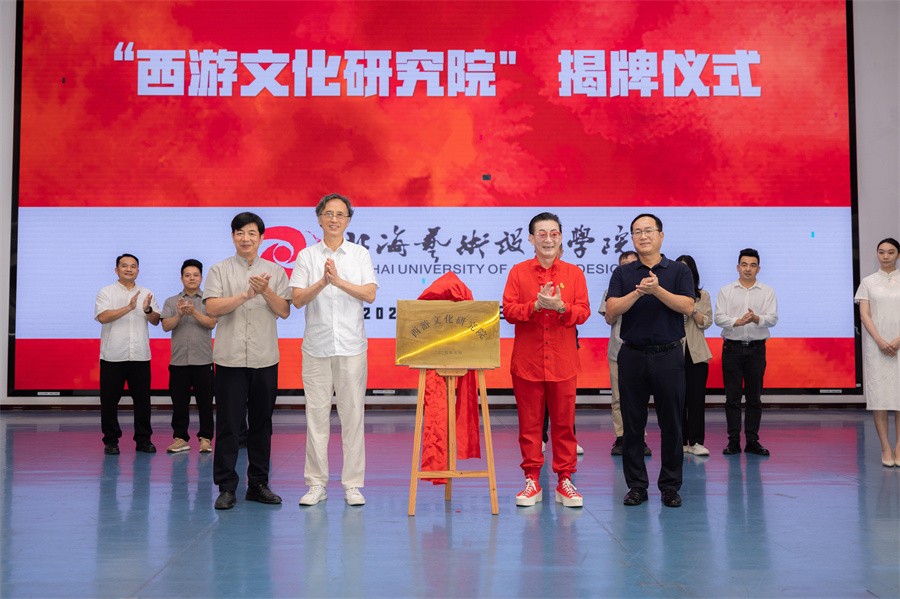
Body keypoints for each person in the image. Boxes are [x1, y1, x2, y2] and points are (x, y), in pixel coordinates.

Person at [291, 194, 378, 507]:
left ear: (348, 220)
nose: (334, 219)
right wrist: (322, 282)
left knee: (352, 416)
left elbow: (370, 294)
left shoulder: (359, 254)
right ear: (319, 218)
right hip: (316, 347)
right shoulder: (306, 255)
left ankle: (352, 485)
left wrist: (338, 281)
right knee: (316, 417)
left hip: (351, 347)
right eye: (328, 214)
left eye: (340, 214)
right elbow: (297, 299)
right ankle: (316, 484)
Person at [502, 212, 590, 508]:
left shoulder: (574, 274)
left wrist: (562, 307)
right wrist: (535, 306)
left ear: (561, 237)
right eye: (542, 234)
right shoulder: (518, 272)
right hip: (527, 363)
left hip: (563, 362)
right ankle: (531, 480)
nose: (548, 239)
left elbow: (584, 311)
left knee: (564, 425)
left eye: (554, 233)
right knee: (529, 426)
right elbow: (509, 310)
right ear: (531, 239)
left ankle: (565, 479)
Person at [606, 214, 694, 508]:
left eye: (648, 231)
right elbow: (611, 311)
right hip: (632, 355)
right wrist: (638, 292)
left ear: (661, 235)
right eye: (637, 232)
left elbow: (687, 305)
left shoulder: (679, 270)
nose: (643, 236)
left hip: (668, 355)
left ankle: (670, 486)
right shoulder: (623, 273)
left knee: (672, 424)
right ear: (632, 238)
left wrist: (657, 290)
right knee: (633, 425)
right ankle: (636, 486)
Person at [205, 212, 291, 510]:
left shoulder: (275, 271)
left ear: (261, 237)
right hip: (229, 359)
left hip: (264, 358)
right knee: (228, 425)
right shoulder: (219, 270)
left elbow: (284, 311)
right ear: (233, 237)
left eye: (252, 233)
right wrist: (246, 294)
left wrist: (265, 291)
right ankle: (227, 487)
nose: (246, 239)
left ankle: (258, 484)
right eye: (240, 233)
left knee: (261, 424)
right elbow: (212, 307)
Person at [714, 248, 778, 457]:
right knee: (732, 398)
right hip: (732, 348)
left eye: (752, 265)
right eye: (744, 265)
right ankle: (733, 442)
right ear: (737, 267)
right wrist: (737, 322)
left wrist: (756, 319)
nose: (748, 269)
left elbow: (773, 318)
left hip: (756, 349)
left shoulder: (767, 291)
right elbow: (718, 318)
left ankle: (752, 441)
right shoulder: (726, 291)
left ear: (758, 268)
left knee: (754, 398)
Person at [95, 253, 161, 455]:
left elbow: (155, 321)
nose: (129, 269)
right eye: (124, 266)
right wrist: (129, 307)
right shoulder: (106, 292)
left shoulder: (147, 292)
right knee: (109, 402)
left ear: (138, 270)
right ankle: (111, 441)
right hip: (113, 356)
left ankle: (143, 440)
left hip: (140, 356)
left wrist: (147, 309)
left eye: (133, 266)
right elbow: (103, 317)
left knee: (143, 402)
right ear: (116, 270)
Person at [160, 259, 217, 454]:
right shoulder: (171, 301)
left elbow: (211, 323)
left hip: (203, 361)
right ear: (181, 278)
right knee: (179, 404)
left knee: (205, 403)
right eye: (187, 275)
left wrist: (193, 312)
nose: (191, 278)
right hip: (179, 362)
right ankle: (180, 438)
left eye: (195, 275)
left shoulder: (209, 300)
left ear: (201, 277)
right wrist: (179, 314)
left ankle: (206, 439)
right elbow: (165, 326)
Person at [599, 251, 652, 457]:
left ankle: (640, 438)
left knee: (640, 397)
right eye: (624, 264)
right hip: (618, 349)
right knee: (618, 397)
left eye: (632, 263)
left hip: (643, 349)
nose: (628, 267)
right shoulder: (612, 290)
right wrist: (625, 300)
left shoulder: (651, 288)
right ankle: (621, 437)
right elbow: (609, 318)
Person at [854, 238, 900, 467]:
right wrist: (881, 341)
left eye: (891, 252)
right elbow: (865, 315)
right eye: (881, 252)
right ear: (876, 254)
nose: (886, 256)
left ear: (898, 255)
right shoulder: (868, 282)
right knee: (880, 397)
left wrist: (898, 340)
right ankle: (885, 447)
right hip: (877, 346)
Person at [675, 255, 713, 456]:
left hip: (696, 353)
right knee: (676, 399)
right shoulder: (668, 295)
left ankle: (696, 441)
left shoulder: (702, 295)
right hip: (673, 352)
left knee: (696, 399)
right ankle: (680, 441)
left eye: (687, 270)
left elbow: (706, 322)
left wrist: (691, 310)